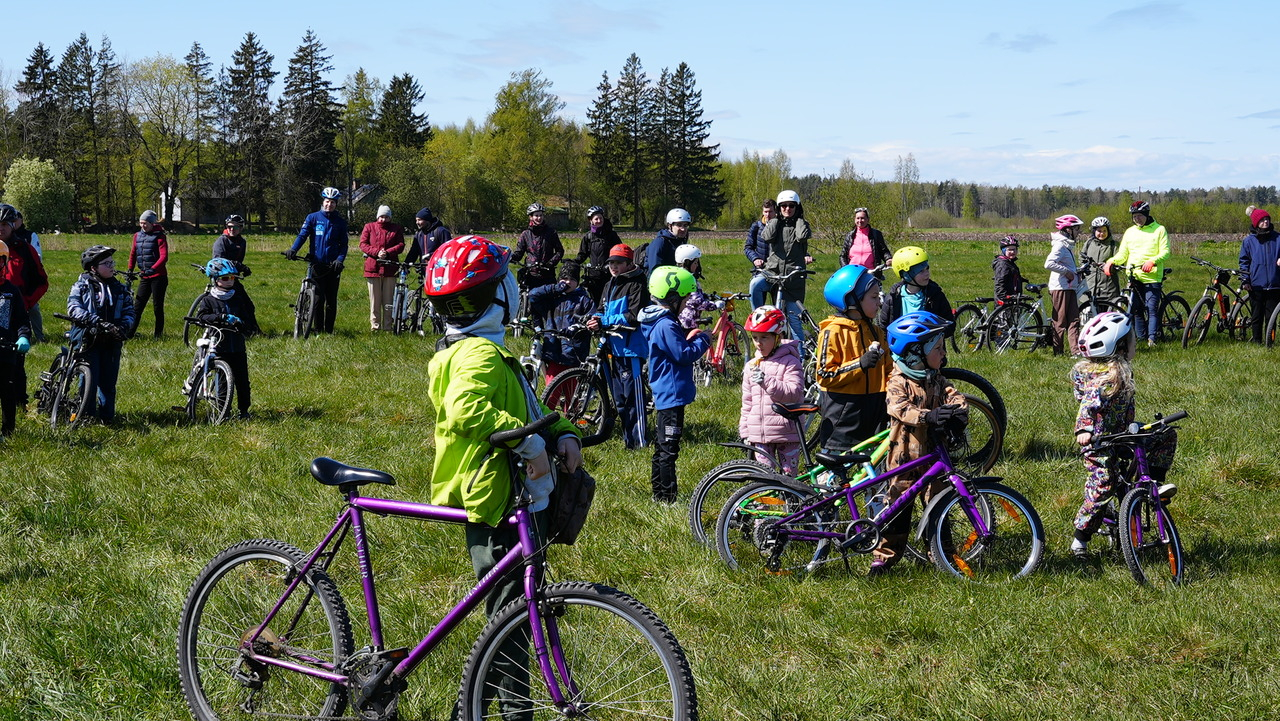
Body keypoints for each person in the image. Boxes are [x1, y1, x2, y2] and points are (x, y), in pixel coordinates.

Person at [422, 234, 582, 718]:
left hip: (509, 497)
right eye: (509, 280)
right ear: (497, 296)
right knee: (511, 622)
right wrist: (531, 443)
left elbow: (529, 407)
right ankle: (514, 713)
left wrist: (562, 433)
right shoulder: (479, 356)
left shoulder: (482, 350)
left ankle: (470, 708)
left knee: (511, 615)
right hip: (494, 503)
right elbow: (466, 408)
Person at [1069, 311, 1178, 557]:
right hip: (1099, 441)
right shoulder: (1107, 377)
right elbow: (1088, 403)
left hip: (1122, 433)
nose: (1134, 342)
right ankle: (1080, 539)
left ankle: (1154, 485)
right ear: (1120, 345)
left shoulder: (1118, 370)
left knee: (1165, 435)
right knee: (1103, 484)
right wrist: (1084, 429)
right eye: (1131, 339)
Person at [869, 311, 968, 576]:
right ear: (915, 353)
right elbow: (899, 408)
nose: (943, 354)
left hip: (935, 456)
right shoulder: (898, 380)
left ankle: (942, 553)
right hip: (904, 457)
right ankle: (884, 558)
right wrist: (928, 415)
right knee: (898, 509)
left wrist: (958, 413)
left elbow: (955, 395)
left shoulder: (935, 378)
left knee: (939, 503)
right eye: (937, 348)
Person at [639, 266, 711, 502]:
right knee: (668, 449)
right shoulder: (666, 325)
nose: (687, 304)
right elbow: (683, 355)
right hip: (671, 395)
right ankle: (667, 497)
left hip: (667, 393)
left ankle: (659, 494)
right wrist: (703, 340)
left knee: (663, 448)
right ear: (672, 298)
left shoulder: (663, 321)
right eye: (685, 299)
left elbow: (675, 348)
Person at [815, 264, 889, 453]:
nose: (879, 303)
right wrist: (860, 365)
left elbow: (889, 369)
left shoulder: (877, 332)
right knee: (836, 472)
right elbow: (824, 375)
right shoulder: (833, 331)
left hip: (873, 411)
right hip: (843, 418)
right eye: (873, 297)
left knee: (870, 474)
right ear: (853, 300)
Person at [586, 244, 649, 449]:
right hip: (614, 347)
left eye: (618, 263)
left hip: (631, 348)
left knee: (633, 399)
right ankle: (627, 440)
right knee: (620, 400)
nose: (613, 266)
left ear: (629, 264)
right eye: (611, 262)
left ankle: (639, 442)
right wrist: (595, 318)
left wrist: (605, 321)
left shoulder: (638, 283)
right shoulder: (610, 284)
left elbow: (633, 316)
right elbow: (602, 309)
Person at [67, 245, 135, 425]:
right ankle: (86, 415)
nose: (112, 266)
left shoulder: (119, 289)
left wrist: (123, 326)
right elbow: (74, 308)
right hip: (89, 339)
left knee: (108, 381)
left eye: (112, 262)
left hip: (111, 341)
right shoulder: (81, 285)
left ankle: (107, 417)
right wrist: (96, 321)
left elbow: (130, 311)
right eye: (106, 263)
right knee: (89, 378)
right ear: (93, 268)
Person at [739, 305, 805, 474]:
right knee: (765, 479)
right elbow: (747, 402)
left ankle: (791, 500)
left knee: (789, 479)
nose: (758, 343)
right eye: (754, 338)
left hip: (786, 433)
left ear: (778, 337)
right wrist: (745, 430)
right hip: (759, 435)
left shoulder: (790, 362)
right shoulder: (751, 366)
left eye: (764, 338)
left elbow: (794, 392)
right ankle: (765, 501)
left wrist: (766, 381)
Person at [193, 258, 254, 419]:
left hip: (237, 346)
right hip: (219, 345)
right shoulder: (209, 299)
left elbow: (248, 320)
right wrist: (221, 317)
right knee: (222, 382)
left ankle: (244, 411)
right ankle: (222, 410)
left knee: (242, 381)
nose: (229, 281)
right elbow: (202, 316)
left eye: (232, 278)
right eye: (225, 278)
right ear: (215, 279)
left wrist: (242, 324)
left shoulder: (237, 299)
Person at [1103, 200, 1170, 347]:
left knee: (1151, 309)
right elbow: (1123, 254)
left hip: (1151, 276)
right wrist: (1111, 262)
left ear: (1146, 214)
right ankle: (1141, 338)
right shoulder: (1130, 232)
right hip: (1134, 275)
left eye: (1139, 216)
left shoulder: (1159, 230)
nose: (1137, 219)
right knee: (1136, 309)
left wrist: (1152, 261)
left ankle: (1152, 340)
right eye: (1134, 216)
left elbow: (1165, 252)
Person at [0, 206, 46, 410]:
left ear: (12, 225)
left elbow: (42, 281)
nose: (0, 229)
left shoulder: (26, 249)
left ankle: (19, 404)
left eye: (4, 225)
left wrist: (25, 303)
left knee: (16, 364)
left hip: (15, 314)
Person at [287, 187, 349, 334]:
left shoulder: (340, 222)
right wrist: (293, 250)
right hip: (317, 264)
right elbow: (303, 235)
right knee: (317, 300)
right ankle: (317, 329)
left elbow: (344, 244)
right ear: (323, 201)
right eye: (327, 201)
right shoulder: (313, 218)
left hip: (333, 266)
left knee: (331, 301)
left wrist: (340, 260)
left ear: (336, 204)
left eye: (333, 202)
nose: (329, 205)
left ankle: (329, 331)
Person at [759, 190, 815, 348]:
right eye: (783, 206)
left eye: (791, 206)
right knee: (755, 285)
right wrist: (776, 219)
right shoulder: (774, 223)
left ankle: (800, 360)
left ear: (797, 207)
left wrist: (799, 218)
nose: (787, 209)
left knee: (794, 321)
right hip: (774, 275)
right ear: (778, 207)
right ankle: (758, 315)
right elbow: (766, 236)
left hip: (794, 280)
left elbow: (802, 235)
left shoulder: (802, 224)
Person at [527, 261, 594, 385]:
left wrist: (578, 328)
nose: (567, 282)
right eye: (564, 278)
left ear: (578, 282)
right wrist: (555, 288)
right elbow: (532, 295)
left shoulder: (584, 300)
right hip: (553, 353)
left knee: (571, 397)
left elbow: (591, 319)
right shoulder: (553, 299)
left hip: (574, 356)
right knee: (550, 395)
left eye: (572, 279)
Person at [876, 246, 955, 329]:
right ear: (906, 275)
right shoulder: (893, 298)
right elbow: (884, 328)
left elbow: (950, 324)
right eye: (921, 271)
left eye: (927, 269)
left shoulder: (935, 295)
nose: (927, 273)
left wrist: (935, 334)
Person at [0, 241, 33, 436]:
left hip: (5, 350)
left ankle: (7, 431)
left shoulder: (11, 291)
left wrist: (23, 337)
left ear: (4, 263)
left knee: (6, 390)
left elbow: (22, 319)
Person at [359, 205, 406, 332]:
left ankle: (388, 327)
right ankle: (375, 326)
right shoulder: (369, 227)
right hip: (372, 268)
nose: (383, 219)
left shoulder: (396, 229)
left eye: (386, 217)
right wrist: (377, 252)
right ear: (377, 217)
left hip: (390, 268)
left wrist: (388, 252)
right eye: (381, 217)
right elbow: (363, 244)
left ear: (390, 217)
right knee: (375, 301)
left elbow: (401, 245)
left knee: (388, 301)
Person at [212, 214, 260, 335]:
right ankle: (249, 330)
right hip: (222, 278)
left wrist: (241, 269)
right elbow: (220, 260)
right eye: (229, 226)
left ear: (241, 228)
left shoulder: (242, 242)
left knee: (248, 305)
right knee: (241, 304)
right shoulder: (221, 241)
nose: (232, 229)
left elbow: (240, 260)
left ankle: (251, 329)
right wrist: (240, 266)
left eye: (235, 227)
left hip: (233, 277)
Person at [1239, 206, 1280, 344]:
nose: (1266, 222)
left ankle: (1271, 341)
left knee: (1271, 317)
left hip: (1275, 285)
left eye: (1267, 219)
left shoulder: (1278, 238)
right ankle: (1257, 341)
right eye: (1262, 220)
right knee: (1257, 316)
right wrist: (1246, 280)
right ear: (1256, 223)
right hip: (1256, 285)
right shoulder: (1248, 241)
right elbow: (1243, 262)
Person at [1046, 215, 1083, 356]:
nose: (1078, 232)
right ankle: (1058, 352)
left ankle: (1076, 351)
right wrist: (1067, 272)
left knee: (1074, 320)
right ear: (1068, 229)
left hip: (1070, 287)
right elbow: (1048, 263)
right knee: (1060, 321)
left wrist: (1075, 272)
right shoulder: (1060, 244)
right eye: (1076, 228)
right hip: (1060, 287)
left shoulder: (1067, 244)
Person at [129, 209, 169, 338]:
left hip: (159, 277)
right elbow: (133, 253)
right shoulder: (137, 236)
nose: (142, 226)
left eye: (145, 223)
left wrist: (154, 268)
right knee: (137, 307)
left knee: (157, 307)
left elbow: (164, 256)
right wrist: (130, 269)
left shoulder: (159, 236)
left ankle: (158, 335)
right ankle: (130, 333)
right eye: (141, 223)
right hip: (145, 276)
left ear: (152, 223)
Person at [576, 205, 621, 306]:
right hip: (593, 276)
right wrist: (573, 262)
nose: (599, 220)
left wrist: (610, 264)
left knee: (609, 300)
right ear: (590, 220)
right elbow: (582, 254)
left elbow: (619, 251)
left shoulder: (611, 235)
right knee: (595, 302)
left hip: (608, 274)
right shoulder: (588, 237)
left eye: (601, 218)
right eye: (596, 219)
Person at [512, 202, 563, 290]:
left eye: (541, 215)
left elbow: (560, 251)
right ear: (531, 217)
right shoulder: (525, 234)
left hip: (548, 274)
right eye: (536, 215)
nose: (539, 218)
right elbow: (519, 253)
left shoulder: (551, 232)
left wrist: (551, 263)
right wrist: (509, 257)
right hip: (531, 274)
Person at [10, 209, 44, 342]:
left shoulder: (29, 235)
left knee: (33, 307)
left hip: (26, 278)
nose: (14, 223)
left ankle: (39, 336)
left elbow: (37, 254)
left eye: (15, 220)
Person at [674, 243, 722, 330]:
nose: (697, 265)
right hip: (688, 322)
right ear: (687, 262)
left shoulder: (677, 276)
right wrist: (714, 305)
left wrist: (704, 296)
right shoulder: (688, 279)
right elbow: (696, 302)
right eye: (695, 262)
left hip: (678, 319)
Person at [839, 207, 893, 277]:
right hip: (852, 274)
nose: (860, 220)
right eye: (857, 218)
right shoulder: (850, 236)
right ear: (854, 220)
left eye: (862, 218)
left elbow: (883, 251)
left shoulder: (876, 234)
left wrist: (888, 259)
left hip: (871, 273)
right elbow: (843, 256)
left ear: (868, 220)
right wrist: (845, 268)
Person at [1080, 217, 1122, 306]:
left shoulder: (1114, 245)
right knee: (1090, 315)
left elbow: (1120, 262)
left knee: (1107, 316)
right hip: (1090, 287)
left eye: (1104, 231)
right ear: (1094, 231)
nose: (1102, 233)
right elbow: (1082, 257)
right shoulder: (1089, 243)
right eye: (1099, 231)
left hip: (1109, 289)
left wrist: (1109, 268)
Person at [745, 199, 777, 309]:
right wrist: (755, 259)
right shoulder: (757, 226)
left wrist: (805, 255)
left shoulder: (781, 227)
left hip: (778, 272)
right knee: (759, 309)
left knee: (780, 309)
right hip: (761, 271)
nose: (768, 214)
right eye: (766, 212)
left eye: (771, 212)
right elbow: (748, 247)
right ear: (762, 212)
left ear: (776, 212)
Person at [647, 208, 691, 279]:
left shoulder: (681, 241)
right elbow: (654, 270)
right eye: (679, 225)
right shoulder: (660, 242)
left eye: (685, 225)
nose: (683, 229)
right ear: (670, 226)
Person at [992, 235, 1027, 303]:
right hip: (1006, 301)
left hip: (1013, 298)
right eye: (1009, 250)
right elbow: (1000, 281)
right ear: (1004, 251)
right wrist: (1003, 297)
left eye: (1014, 249)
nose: (1012, 252)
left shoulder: (1010, 263)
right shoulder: (1003, 264)